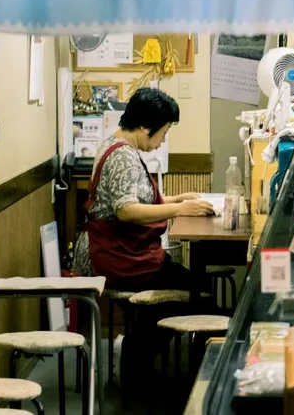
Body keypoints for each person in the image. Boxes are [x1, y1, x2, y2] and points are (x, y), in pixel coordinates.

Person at [71, 87, 215, 385]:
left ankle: (136, 361)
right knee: (197, 293)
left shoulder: (115, 145)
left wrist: (176, 200)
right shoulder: (123, 156)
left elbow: (129, 200)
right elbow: (126, 210)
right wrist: (179, 209)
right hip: (113, 256)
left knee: (190, 287)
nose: (163, 139)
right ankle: (137, 364)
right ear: (145, 127)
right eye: (163, 132)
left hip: (115, 250)